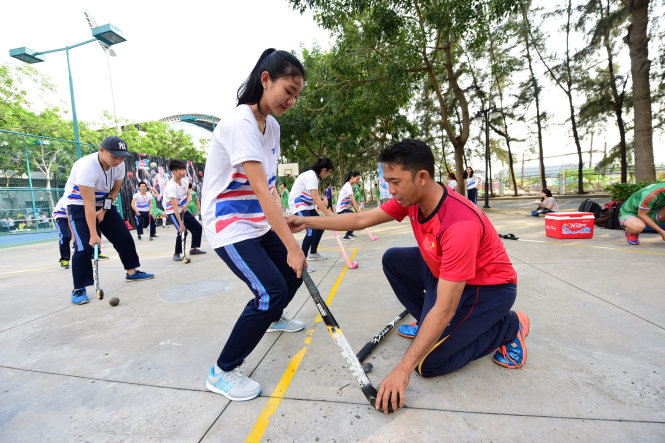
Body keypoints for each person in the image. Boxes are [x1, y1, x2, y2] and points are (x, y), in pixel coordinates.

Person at [288, 139, 527, 414]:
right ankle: (428, 325)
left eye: (395, 182)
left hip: (487, 288)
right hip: (444, 271)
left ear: (422, 177)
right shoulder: (412, 198)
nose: (390, 190)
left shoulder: (459, 225)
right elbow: (359, 220)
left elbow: (446, 307)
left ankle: (509, 327)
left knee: (428, 363)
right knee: (393, 260)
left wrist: (402, 369)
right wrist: (304, 221)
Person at [200, 48, 307, 402]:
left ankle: (273, 317)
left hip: (257, 221)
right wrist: (290, 246)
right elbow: (259, 188)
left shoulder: (271, 126)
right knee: (270, 290)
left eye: (296, 96)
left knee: (292, 275)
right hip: (229, 225)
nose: (291, 101)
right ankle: (222, 371)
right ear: (266, 79)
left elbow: (271, 188)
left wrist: (287, 220)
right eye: (288, 92)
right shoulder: (239, 122)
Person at [64, 136, 154, 305]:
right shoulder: (86, 167)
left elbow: (114, 191)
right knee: (84, 246)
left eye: (122, 157)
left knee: (124, 237)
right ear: (102, 151)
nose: (118, 160)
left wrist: (104, 210)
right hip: (79, 204)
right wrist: (93, 234)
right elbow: (88, 205)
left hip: (103, 202)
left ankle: (132, 272)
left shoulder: (118, 165)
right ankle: (79, 288)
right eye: (114, 156)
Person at [288, 158, 334, 260]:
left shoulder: (315, 177)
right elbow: (316, 200)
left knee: (321, 225)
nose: (328, 175)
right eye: (329, 172)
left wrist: (324, 198)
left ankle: (313, 252)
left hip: (307, 205)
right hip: (298, 204)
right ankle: (303, 261)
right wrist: (330, 216)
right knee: (311, 229)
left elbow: (315, 196)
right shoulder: (311, 175)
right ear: (323, 169)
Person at [163, 159, 206, 260]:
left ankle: (193, 249)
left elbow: (189, 195)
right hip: (172, 211)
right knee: (182, 231)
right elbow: (174, 207)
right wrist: (181, 224)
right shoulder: (171, 186)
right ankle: (176, 254)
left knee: (197, 227)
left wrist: (186, 205)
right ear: (174, 171)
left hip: (182, 208)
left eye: (184, 169)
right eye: (180, 170)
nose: (183, 172)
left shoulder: (185, 181)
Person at [336, 171, 362, 240]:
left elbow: (350, 200)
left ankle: (350, 232)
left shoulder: (350, 186)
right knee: (355, 217)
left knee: (354, 217)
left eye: (359, 179)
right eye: (357, 179)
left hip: (344, 208)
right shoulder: (348, 186)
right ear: (352, 177)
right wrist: (358, 212)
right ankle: (347, 235)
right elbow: (353, 201)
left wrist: (350, 201)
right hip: (341, 209)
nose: (358, 181)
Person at [52, 196, 72, 269]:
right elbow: (68, 215)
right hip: (61, 216)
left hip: (72, 216)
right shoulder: (67, 197)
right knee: (65, 236)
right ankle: (64, 259)